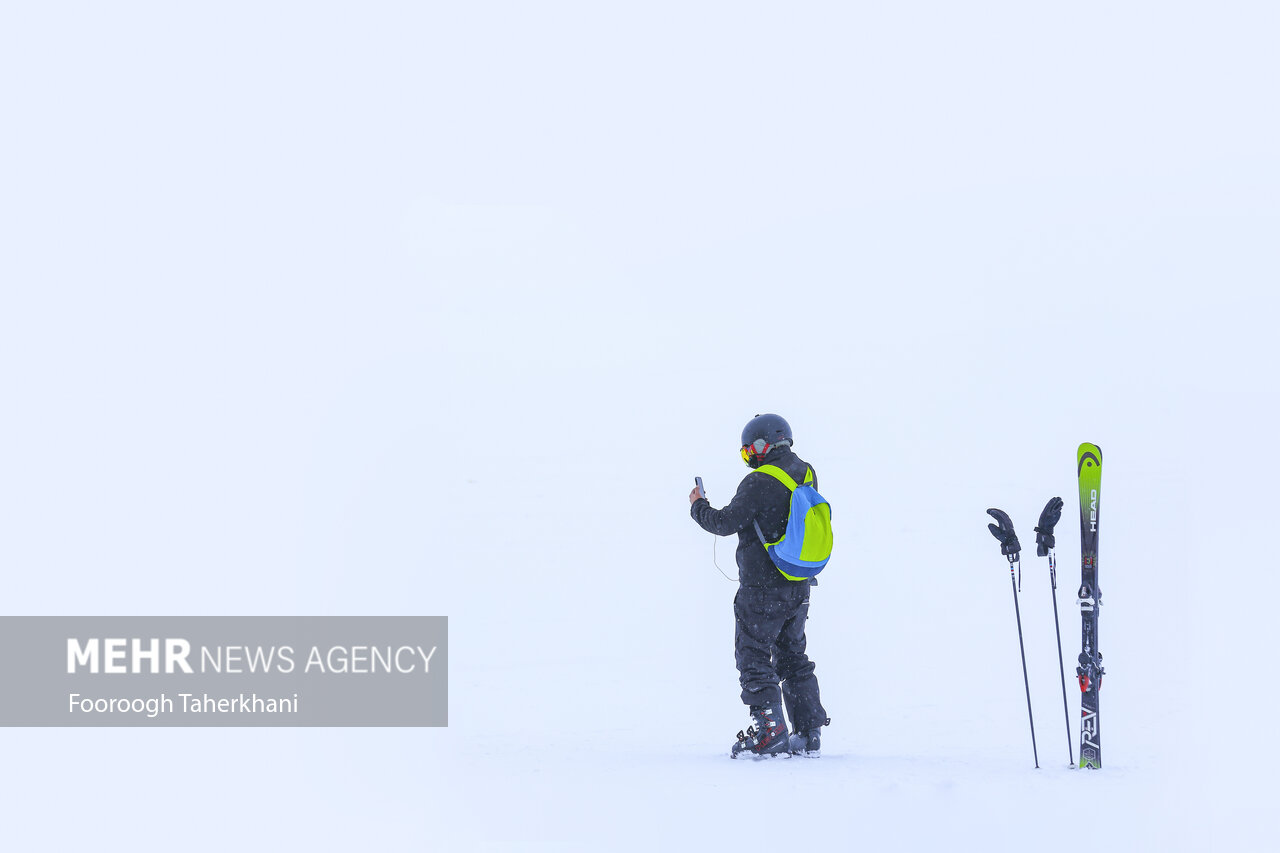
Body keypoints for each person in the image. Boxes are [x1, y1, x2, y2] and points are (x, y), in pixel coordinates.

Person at [689, 413, 829, 758]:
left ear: (763, 445)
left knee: (752, 656)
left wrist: (698, 506)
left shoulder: (758, 482)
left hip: (762, 589)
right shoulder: (805, 472)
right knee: (793, 655)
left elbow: (724, 523)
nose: (749, 457)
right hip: (798, 585)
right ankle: (808, 732)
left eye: (748, 450)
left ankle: (770, 733)